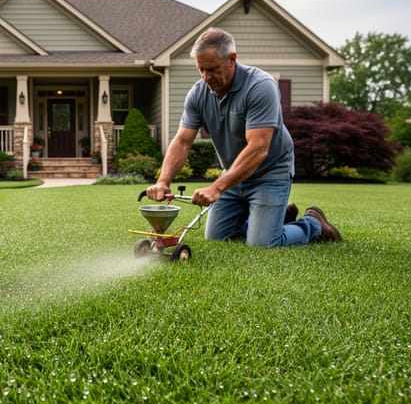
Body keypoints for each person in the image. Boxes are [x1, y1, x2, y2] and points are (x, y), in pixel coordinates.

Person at [146, 28, 341, 247]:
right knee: (218, 237)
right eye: (200, 70)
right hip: (233, 174)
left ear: (232, 59)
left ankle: (313, 224)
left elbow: (258, 147)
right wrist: (163, 181)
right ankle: (275, 217)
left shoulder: (260, 86)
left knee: (263, 243)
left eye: (212, 69)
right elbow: (182, 141)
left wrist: (216, 188)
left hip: (270, 173)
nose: (206, 77)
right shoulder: (198, 93)